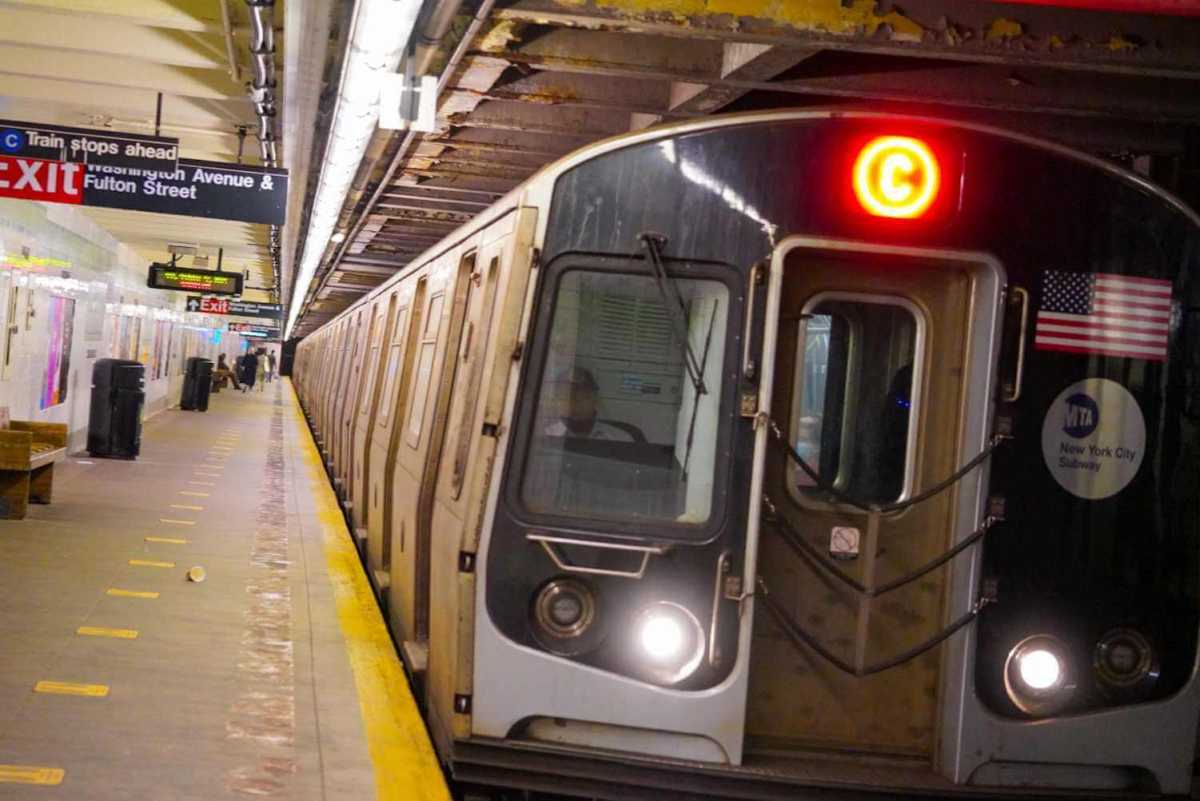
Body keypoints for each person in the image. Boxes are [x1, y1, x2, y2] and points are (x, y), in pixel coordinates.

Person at [542, 367, 638, 441]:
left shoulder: (620, 438)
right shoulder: (542, 437)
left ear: (595, 399)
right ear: (555, 402)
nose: (576, 402)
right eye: (567, 397)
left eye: (583, 396)